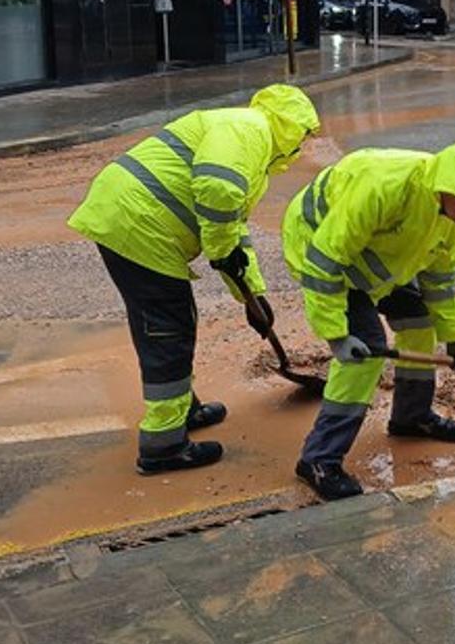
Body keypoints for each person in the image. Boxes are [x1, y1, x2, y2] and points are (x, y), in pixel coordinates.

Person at [69, 84, 321, 474]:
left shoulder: (250, 144)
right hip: (139, 221)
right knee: (167, 329)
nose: (305, 143)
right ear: (291, 125)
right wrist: (222, 255)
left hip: (132, 216)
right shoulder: (249, 129)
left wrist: (250, 293)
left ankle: (184, 409)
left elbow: (233, 226)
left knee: (171, 319)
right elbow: (217, 189)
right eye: (305, 133)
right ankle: (163, 445)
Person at [283, 140, 455, 499]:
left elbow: (441, 283)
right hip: (317, 247)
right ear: (448, 185)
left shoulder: (449, 218)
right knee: (366, 351)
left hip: (373, 266)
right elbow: (326, 258)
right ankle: (319, 459)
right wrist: (337, 336)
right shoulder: (385, 186)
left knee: (419, 320)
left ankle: (410, 417)